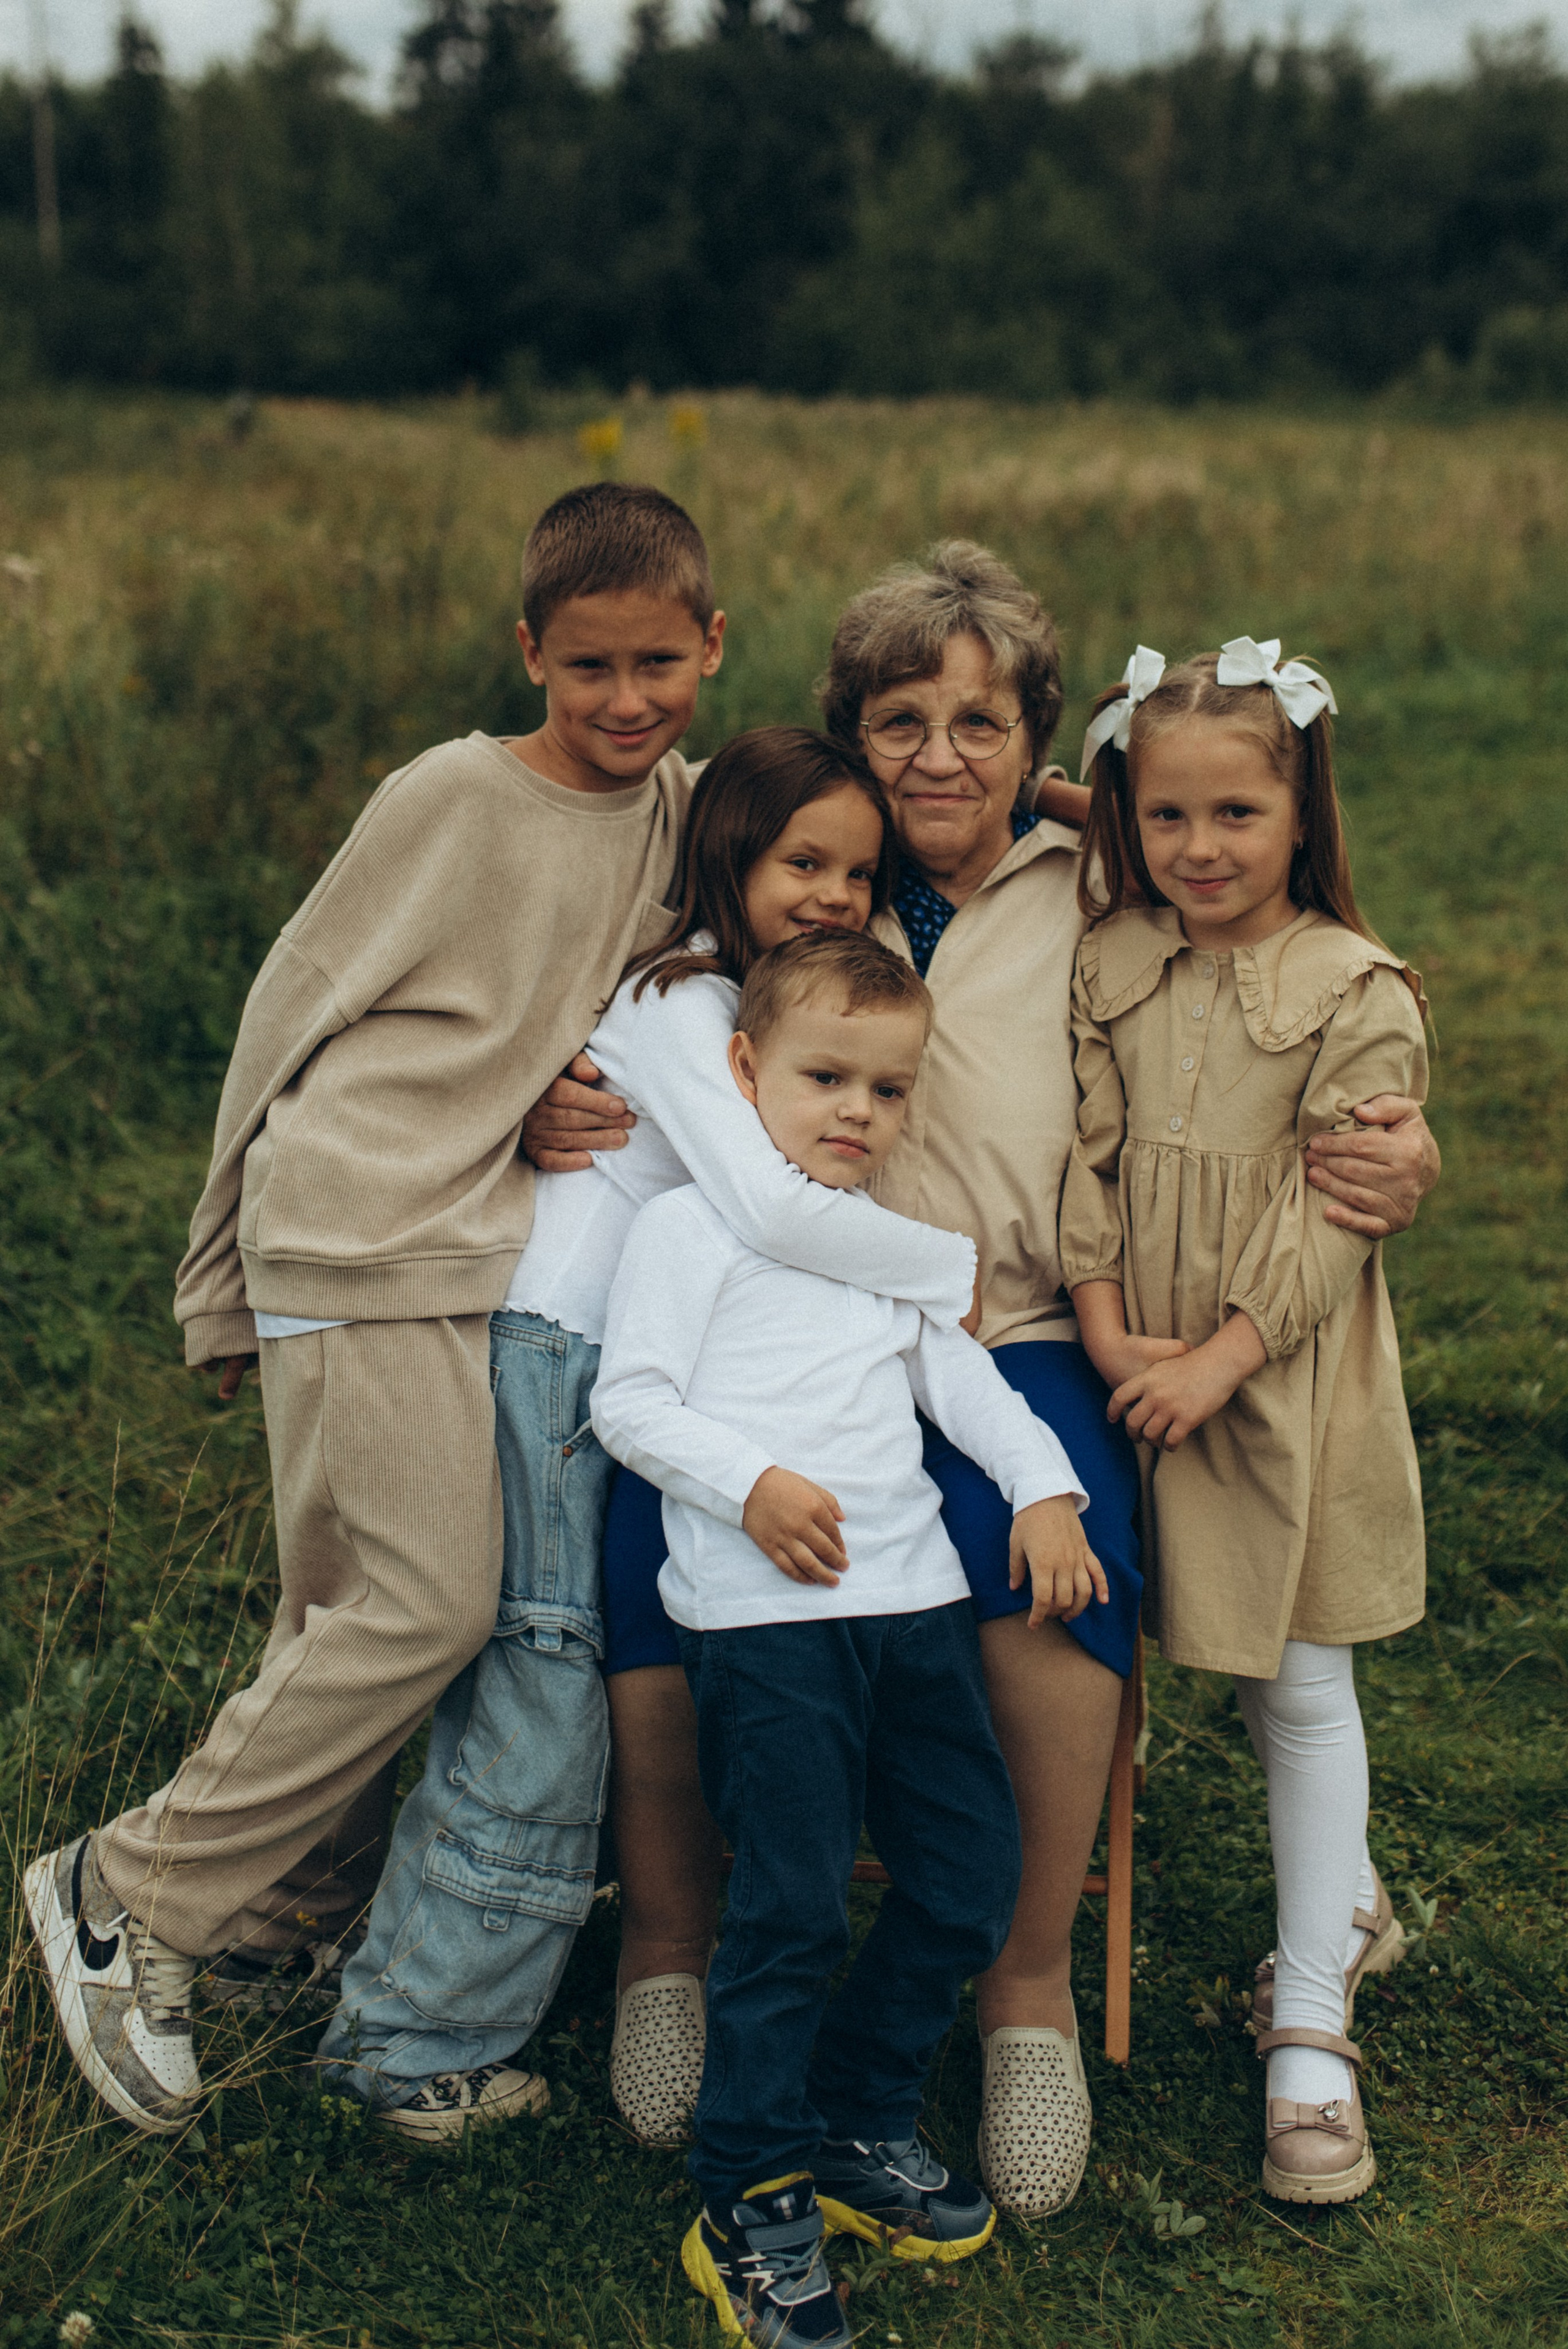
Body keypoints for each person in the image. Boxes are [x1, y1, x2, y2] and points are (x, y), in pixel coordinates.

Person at [521, 543, 1442, 2215]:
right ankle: (671, 1938)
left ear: (1041, 746)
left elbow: (1287, 962)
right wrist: (543, 1101)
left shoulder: (1109, 880)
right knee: (647, 1565)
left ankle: (1023, 1980)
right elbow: (632, 1016)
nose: (941, 756)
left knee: (1055, 1562)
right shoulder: (812, 882)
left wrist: (1399, 1123)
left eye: (982, 721)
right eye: (900, 721)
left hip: (1008, 1325)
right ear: (844, 740)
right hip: (765, 1330)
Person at [23, 480, 727, 2138]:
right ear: (527, 654)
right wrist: (215, 1274)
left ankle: (275, 1928)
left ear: (710, 641)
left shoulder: (683, 808)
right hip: (354, 1233)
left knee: (338, 1611)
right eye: (586, 670)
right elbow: (289, 1008)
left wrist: (1074, 802)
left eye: (656, 665)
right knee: (427, 1601)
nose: (624, 703)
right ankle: (126, 1893)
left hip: (468, 1251)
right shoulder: (451, 798)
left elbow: (837, 807)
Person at [315, 725, 980, 2129]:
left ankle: (408, 1996)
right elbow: (777, 1210)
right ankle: (411, 2047)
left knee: (536, 1669)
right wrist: (947, 1276)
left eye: (858, 874)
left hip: (591, 1354)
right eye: (802, 860)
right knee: (545, 1679)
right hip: (561, 1361)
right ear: (727, 855)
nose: (833, 894)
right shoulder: (687, 1007)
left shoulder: (740, 1003)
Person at [592, 928, 1101, 2349]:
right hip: (768, 1631)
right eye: (824, 1078)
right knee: (793, 1907)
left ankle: (857, 2113)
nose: (854, 1116)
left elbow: (971, 1387)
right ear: (744, 1070)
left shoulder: (878, 1251)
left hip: (918, 1612)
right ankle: (747, 2194)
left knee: (963, 1877)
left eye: (885, 1091)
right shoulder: (693, 1231)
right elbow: (631, 1404)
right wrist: (748, 1487)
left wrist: (1046, 1489)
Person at [1061, 638, 1427, 2206]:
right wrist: (1094, 1319)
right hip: (1120, 1344)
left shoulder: (1354, 988)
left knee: (1297, 1674)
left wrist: (1218, 1357)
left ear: (1299, 811)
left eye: (1234, 815)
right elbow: (1078, 1152)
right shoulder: (1107, 961)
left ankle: (1306, 2009)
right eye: (1163, 818)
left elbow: (1334, 1211)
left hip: (1273, 1372)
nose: (1197, 850)